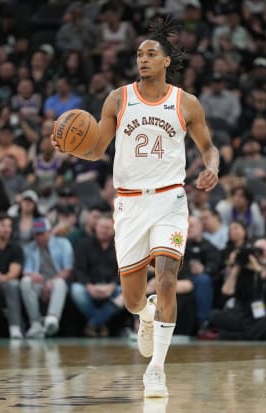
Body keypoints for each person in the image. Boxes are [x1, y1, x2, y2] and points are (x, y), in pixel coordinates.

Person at [51, 18, 220, 398]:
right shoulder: (118, 98)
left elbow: (208, 147)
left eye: (150, 54)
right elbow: (96, 149)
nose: (142, 59)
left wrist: (212, 167)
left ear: (166, 61)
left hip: (169, 200)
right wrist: (71, 147)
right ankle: (145, 317)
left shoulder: (186, 102)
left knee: (165, 279)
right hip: (128, 204)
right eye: (139, 54)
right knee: (131, 299)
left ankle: (156, 369)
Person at [21, 218, 73, 339]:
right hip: (39, 283)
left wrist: (51, 281)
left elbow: (68, 270)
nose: (39, 238)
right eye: (36, 234)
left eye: (42, 233)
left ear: (49, 232)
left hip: (58, 282)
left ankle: (52, 319)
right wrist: (32, 275)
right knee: (25, 282)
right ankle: (35, 323)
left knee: (59, 282)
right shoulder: (30, 248)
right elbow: (26, 271)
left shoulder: (63, 243)